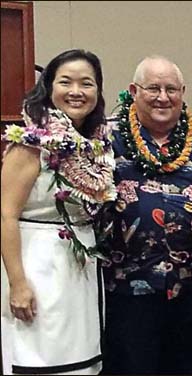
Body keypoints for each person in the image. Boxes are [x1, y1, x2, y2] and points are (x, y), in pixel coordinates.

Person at [101, 55, 192, 374]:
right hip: (131, 284)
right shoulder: (107, 137)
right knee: (135, 365)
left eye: (172, 89)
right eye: (153, 88)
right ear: (133, 90)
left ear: (183, 92)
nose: (163, 97)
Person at [1, 49, 115, 375]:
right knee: (41, 358)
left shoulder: (97, 144)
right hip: (37, 262)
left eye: (87, 83)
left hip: (80, 263)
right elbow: (5, 215)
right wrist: (17, 282)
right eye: (66, 82)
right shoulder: (31, 142)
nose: (76, 91)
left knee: (83, 359)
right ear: (49, 87)